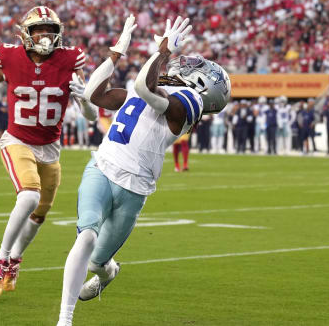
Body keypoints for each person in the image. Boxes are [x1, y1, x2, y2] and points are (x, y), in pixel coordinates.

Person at [56, 16, 231, 326]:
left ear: (205, 86)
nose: (189, 66)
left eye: (201, 71)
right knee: (85, 239)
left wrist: (162, 51)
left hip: (134, 189)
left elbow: (142, 86)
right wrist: (116, 52)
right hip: (102, 167)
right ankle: (65, 320)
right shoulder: (158, 85)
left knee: (97, 261)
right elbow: (93, 95)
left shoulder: (190, 103)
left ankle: (109, 270)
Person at [0, 6, 97, 299]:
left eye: (50, 30)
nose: (45, 36)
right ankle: (0, 258)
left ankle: (15, 259)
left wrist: (85, 101)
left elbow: (93, 117)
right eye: (39, 30)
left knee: (40, 213)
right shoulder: (8, 56)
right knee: (29, 195)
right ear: (26, 34)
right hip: (17, 139)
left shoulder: (70, 60)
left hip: (51, 147)